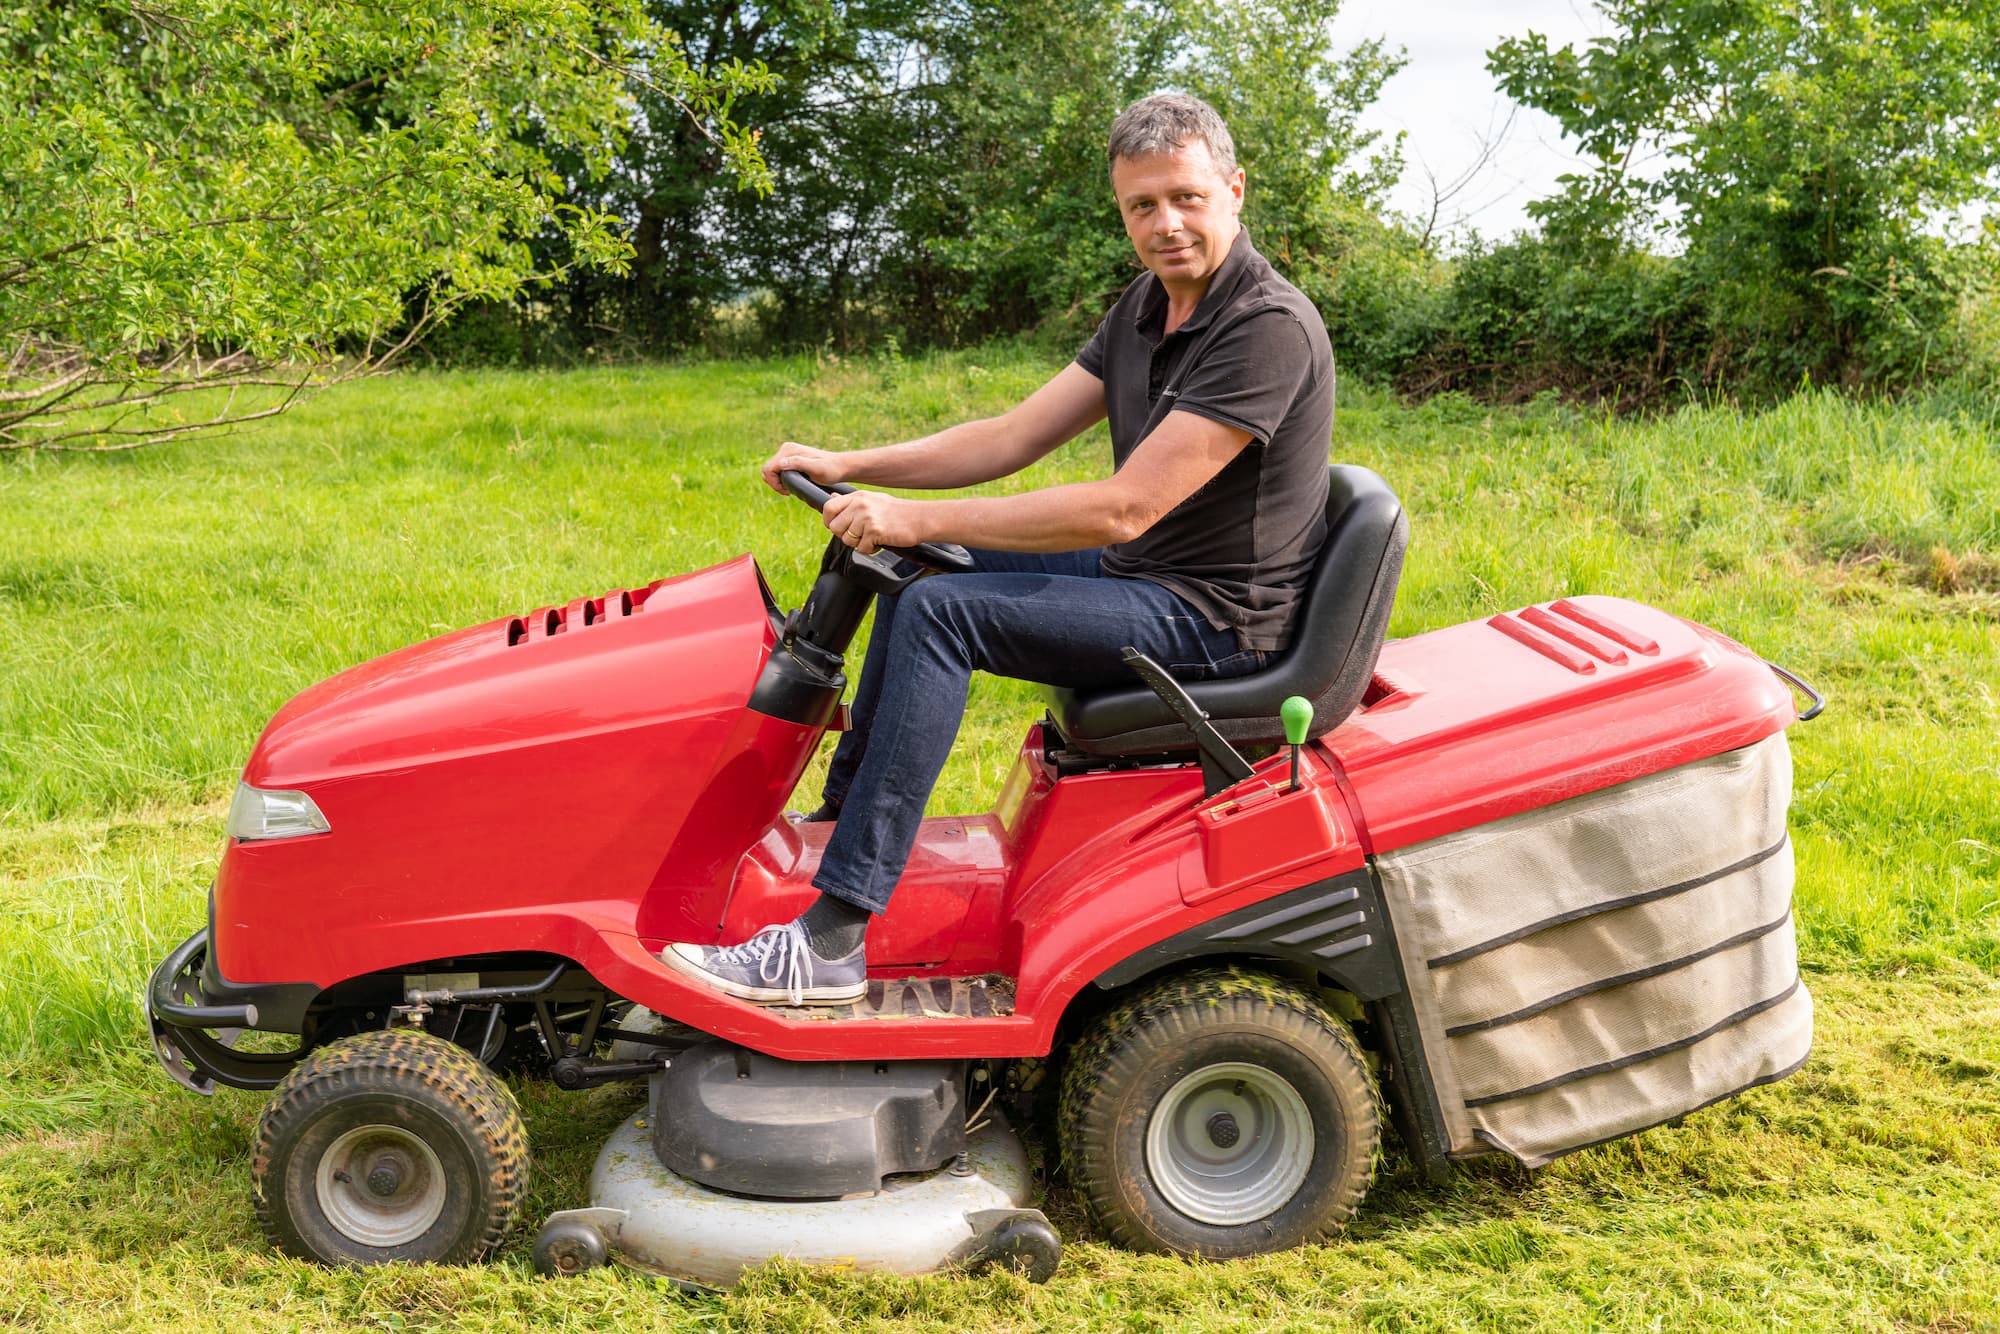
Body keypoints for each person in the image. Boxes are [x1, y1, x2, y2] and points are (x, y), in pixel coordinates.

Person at [662, 92, 1336, 1005]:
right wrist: (848, 463)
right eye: (1142, 206)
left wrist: (919, 518)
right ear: (1122, 211)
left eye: (1185, 197)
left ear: (1234, 189)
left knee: (942, 608)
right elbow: (1012, 436)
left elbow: (1122, 510)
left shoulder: (1264, 328)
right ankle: (838, 829)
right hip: (1149, 578)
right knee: (915, 579)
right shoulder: (1149, 306)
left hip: (1216, 619)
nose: (1165, 224)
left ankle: (830, 940)